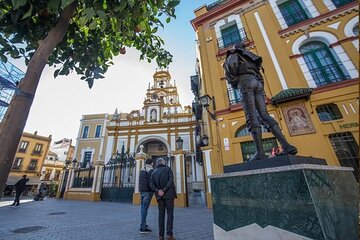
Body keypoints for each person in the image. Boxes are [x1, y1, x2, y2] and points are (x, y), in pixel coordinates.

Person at [223, 42, 297, 161]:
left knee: (251, 116)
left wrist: (236, 82)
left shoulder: (233, 55)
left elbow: (230, 71)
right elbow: (259, 74)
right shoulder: (251, 56)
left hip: (245, 82)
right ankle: (286, 145)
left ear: (235, 48)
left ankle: (260, 153)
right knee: (264, 115)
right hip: (257, 83)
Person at [150, 158, 177, 240]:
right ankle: (169, 234)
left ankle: (161, 235)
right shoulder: (168, 169)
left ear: (157, 164)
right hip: (169, 195)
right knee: (170, 214)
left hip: (159, 196)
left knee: (161, 215)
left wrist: (158, 191)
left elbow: (151, 185)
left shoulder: (153, 172)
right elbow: (170, 180)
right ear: (163, 162)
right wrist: (164, 190)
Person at [139, 158, 155, 233]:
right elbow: (150, 182)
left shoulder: (142, 169)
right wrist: (154, 190)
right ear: (151, 163)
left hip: (142, 191)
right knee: (145, 209)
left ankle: (143, 224)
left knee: (143, 209)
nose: (153, 164)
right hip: (148, 192)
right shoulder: (150, 170)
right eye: (153, 163)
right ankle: (142, 228)